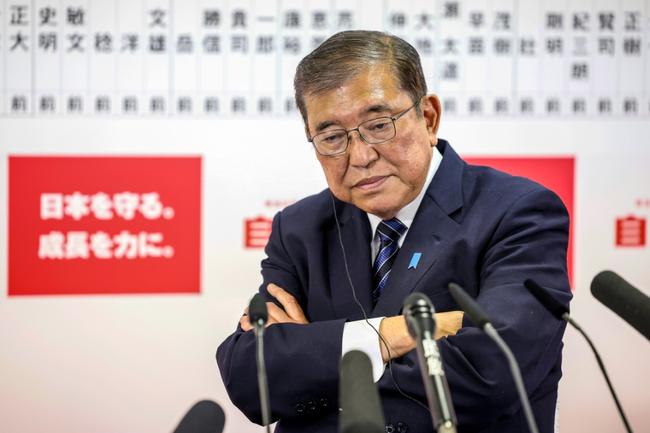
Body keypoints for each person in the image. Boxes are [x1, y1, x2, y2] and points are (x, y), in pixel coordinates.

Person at [217, 30, 571, 433]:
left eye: (379, 125)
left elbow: (493, 371)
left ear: (429, 117)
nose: (362, 156)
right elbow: (250, 376)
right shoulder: (299, 227)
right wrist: (391, 334)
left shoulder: (516, 212)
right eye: (332, 137)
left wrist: (317, 355)